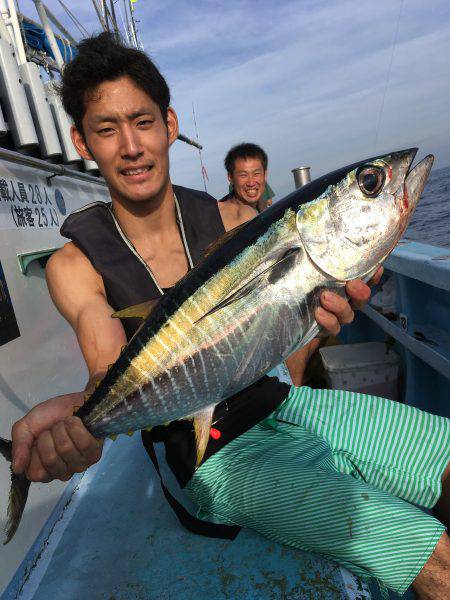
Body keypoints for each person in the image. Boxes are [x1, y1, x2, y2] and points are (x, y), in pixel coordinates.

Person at [10, 34, 450, 599]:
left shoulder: (234, 219)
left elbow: (279, 334)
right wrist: (83, 414)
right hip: (212, 452)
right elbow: (107, 366)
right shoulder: (74, 265)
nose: (131, 147)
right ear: (80, 140)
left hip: (285, 403)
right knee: (433, 555)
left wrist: (319, 323)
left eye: (142, 122)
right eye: (105, 129)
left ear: (170, 124)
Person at [219, 143, 272, 229]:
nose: (251, 183)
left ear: (265, 174)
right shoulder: (244, 214)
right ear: (230, 177)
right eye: (243, 175)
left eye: (256, 174)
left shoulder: (261, 206)